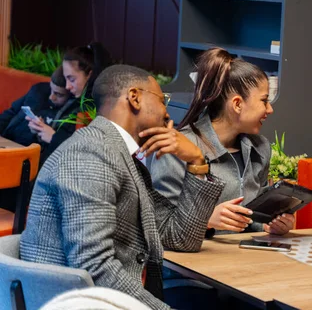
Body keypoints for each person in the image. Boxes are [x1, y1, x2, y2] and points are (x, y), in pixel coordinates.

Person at [20, 65, 225, 310]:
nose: (167, 114)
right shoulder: (91, 153)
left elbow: (181, 237)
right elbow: (93, 267)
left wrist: (197, 162)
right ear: (135, 97)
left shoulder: (119, 156)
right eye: (162, 100)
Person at [148, 47, 294, 235]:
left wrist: (270, 224)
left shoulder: (260, 148)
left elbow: (255, 217)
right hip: (192, 261)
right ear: (237, 104)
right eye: (264, 101)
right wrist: (206, 220)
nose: (270, 110)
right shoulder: (179, 148)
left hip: (245, 259)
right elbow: (161, 226)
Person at [26, 42, 113, 163]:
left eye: (71, 79)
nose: (67, 86)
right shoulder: (75, 100)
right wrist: (41, 131)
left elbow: (85, 155)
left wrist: (52, 137)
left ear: (90, 75)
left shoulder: (97, 108)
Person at [0, 66, 70, 148]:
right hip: (5, 140)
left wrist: (39, 133)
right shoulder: (39, 90)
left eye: (59, 94)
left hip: (25, 151)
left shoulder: (68, 114)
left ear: (71, 94)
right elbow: (11, 112)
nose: (51, 97)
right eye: (51, 89)